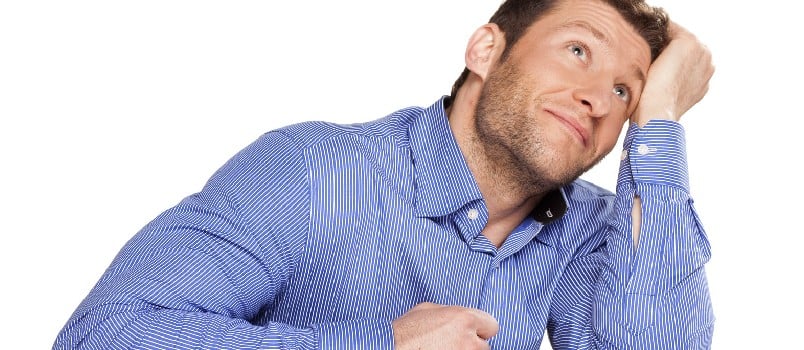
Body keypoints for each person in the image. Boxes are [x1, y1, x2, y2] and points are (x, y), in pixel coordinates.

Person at [53, 0, 715, 348]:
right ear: (486, 49)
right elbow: (104, 336)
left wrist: (659, 120)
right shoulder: (315, 171)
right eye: (577, 50)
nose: (597, 98)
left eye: (624, 92)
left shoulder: (593, 229)